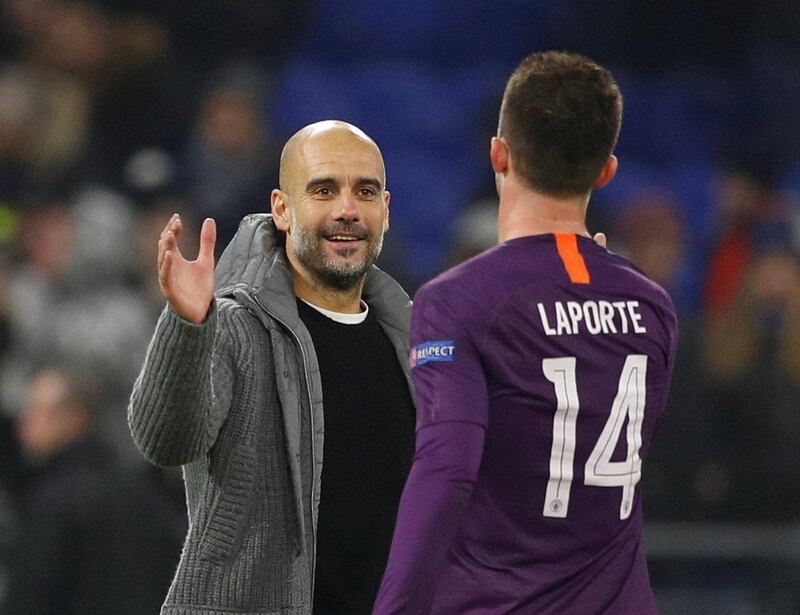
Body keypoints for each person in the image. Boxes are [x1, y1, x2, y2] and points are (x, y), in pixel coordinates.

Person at [373, 51, 678, 614]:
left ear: (498, 154)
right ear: (607, 169)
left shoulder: (455, 300)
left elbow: (446, 469)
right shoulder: (653, 305)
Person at [128, 120, 415, 614]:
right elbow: (164, 440)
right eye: (324, 190)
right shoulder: (235, 328)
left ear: (385, 211)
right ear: (282, 209)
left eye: (365, 192)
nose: (347, 210)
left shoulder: (414, 342)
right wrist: (186, 324)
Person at [3, 366, 182, 615]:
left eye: (39, 412)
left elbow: (31, 595)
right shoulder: (141, 489)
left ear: (74, 419)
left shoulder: (54, 500)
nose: (24, 424)